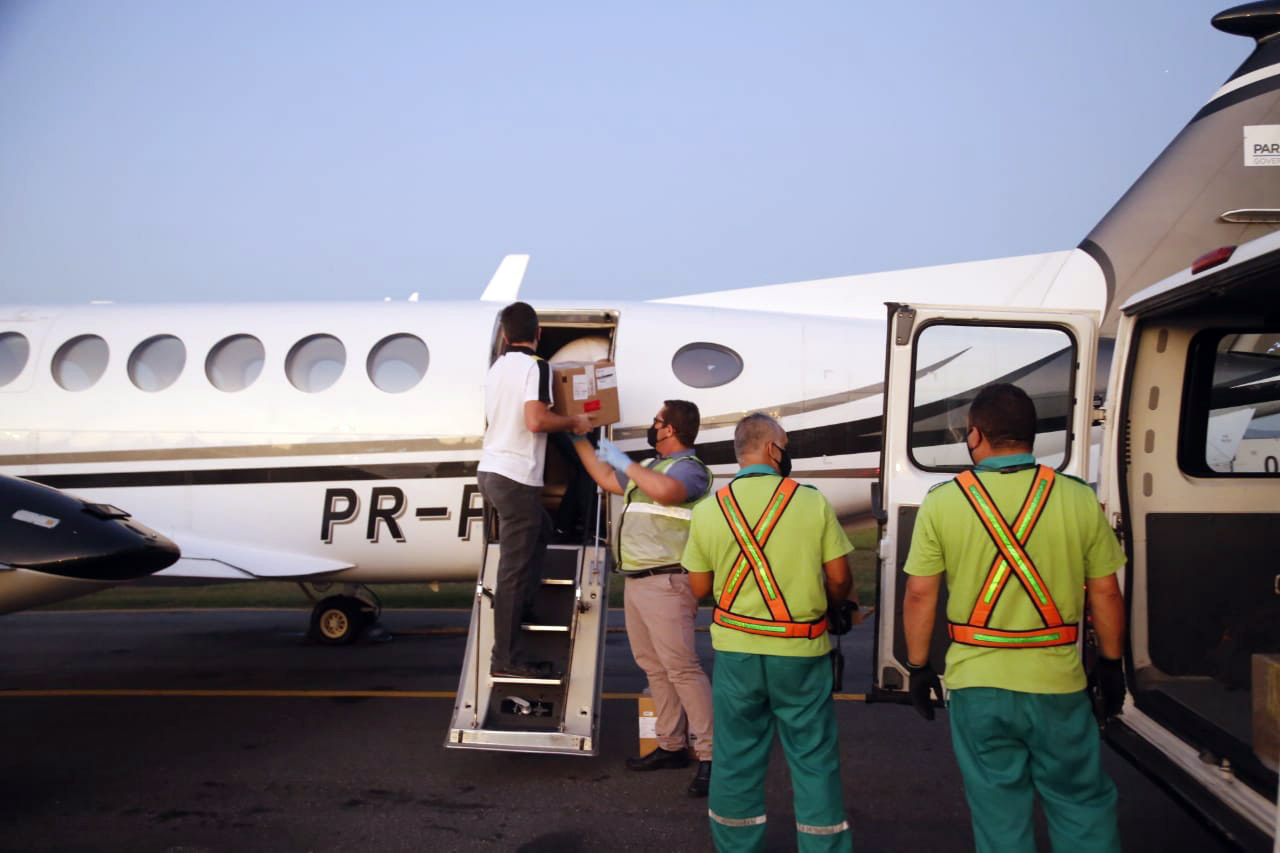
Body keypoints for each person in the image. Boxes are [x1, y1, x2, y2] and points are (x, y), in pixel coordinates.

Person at [901, 383, 1127, 853]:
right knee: (1080, 804)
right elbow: (1105, 591)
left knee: (999, 813)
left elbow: (921, 594)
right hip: (1059, 684)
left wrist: (918, 667)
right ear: (1031, 435)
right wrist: (1109, 664)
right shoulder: (1077, 497)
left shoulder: (944, 501)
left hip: (977, 684)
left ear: (975, 436)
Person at [682, 413, 857, 852]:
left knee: (737, 758)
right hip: (801, 651)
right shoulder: (810, 501)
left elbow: (700, 588)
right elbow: (839, 577)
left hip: (737, 654)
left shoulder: (709, 510)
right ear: (773, 449)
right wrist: (836, 603)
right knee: (813, 758)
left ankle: (737, 846)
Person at [572, 400, 715, 797]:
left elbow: (668, 494)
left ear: (670, 430)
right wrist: (579, 439)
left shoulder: (689, 469)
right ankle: (670, 744)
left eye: (656, 421)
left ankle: (710, 755)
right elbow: (605, 477)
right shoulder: (650, 469)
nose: (652, 426)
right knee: (654, 668)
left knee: (682, 668)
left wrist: (626, 461)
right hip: (638, 582)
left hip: (668, 582)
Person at [477, 301, 592, 679]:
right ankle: (506, 657)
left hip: (490, 472)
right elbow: (535, 419)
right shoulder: (535, 366)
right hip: (515, 476)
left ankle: (521, 606)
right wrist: (574, 420)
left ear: (506, 337)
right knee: (513, 568)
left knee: (541, 530)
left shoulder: (495, 369)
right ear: (537, 334)